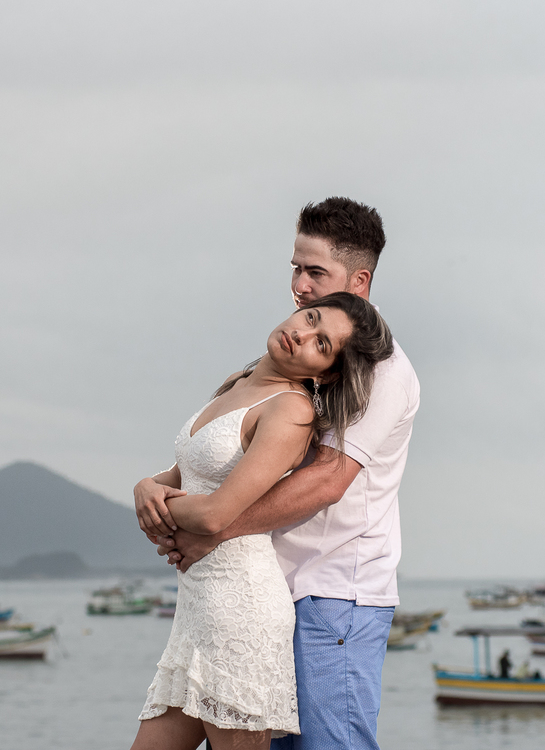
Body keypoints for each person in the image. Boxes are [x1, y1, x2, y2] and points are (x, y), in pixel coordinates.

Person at [154, 198, 420, 750]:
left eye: (315, 272)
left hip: (335, 594)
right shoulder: (282, 367)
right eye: (295, 268)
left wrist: (212, 529)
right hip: (272, 584)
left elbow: (328, 478)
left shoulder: (383, 369)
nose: (299, 285)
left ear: (360, 278)